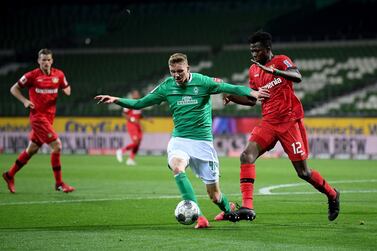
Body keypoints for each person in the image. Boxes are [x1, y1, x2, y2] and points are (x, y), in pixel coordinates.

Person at [95, 53, 269, 228]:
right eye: (173, 71)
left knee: (215, 196)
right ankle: (199, 216)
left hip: (203, 144)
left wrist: (252, 92)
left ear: (188, 69)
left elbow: (231, 88)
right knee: (177, 167)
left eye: (180, 71)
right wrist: (117, 100)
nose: (176, 75)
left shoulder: (202, 81)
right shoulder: (167, 86)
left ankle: (228, 209)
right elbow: (140, 103)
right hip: (180, 140)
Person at [224, 31, 340, 222]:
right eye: (252, 50)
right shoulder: (254, 70)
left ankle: (333, 195)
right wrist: (233, 97)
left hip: (289, 121)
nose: (254, 54)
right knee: (246, 156)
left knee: (303, 172)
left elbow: (297, 76)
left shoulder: (281, 61)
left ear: (267, 49)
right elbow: (253, 100)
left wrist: (275, 72)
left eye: (257, 50)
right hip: (269, 122)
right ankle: (247, 207)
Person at [2, 49, 75, 193]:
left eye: (48, 60)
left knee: (32, 150)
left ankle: (9, 175)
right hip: (37, 118)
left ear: (52, 61)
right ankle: (59, 183)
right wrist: (24, 101)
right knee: (57, 146)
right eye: (43, 60)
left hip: (49, 119)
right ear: (38, 61)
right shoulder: (32, 76)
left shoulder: (59, 75)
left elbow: (67, 88)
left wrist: (66, 90)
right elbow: (13, 89)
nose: (46, 62)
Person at [116, 90, 143, 166]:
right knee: (135, 142)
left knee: (138, 143)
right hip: (131, 125)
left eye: (138, 94)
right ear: (132, 95)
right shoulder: (129, 103)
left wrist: (148, 119)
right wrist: (131, 119)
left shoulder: (140, 103)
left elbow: (139, 115)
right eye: (136, 94)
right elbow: (124, 114)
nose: (137, 95)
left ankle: (130, 159)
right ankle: (121, 151)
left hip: (138, 125)